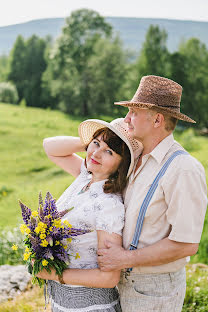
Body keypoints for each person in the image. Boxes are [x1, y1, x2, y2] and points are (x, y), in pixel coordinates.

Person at [98, 75, 208, 312]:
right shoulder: (137, 157)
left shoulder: (183, 169)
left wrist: (125, 259)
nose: (126, 119)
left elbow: (186, 244)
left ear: (157, 119)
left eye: (134, 112)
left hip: (155, 290)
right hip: (122, 282)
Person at [36, 118, 142, 312]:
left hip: (90, 307)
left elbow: (109, 277)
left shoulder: (109, 205)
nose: (96, 153)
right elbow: (49, 146)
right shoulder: (85, 176)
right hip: (62, 302)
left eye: (109, 151)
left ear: (121, 165)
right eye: (96, 144)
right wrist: (91, 141)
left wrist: (54, 274)